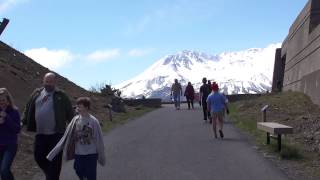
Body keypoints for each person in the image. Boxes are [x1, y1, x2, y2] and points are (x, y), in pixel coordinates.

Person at [22, 72, 74, 180]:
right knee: (38, 157)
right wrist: (23, 121)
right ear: (43, 81)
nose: (48, 84)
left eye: (51, 82)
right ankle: (50, 175)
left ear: (55, 82)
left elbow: (70, 113)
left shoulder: (61, 95)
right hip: (40, 134)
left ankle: (52, 176)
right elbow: (28, 108)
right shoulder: (37, 93)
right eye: (46, 81)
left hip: (57, 134)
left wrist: (75, 126)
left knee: (55, 161)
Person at [47, 97, 105, 180]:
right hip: (79, 153)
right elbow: (65, 137)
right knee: (78, 169)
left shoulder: (93, 121)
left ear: (87, 107)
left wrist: (101, 155)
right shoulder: (75, 120)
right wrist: (52, 154)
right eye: (77, 106)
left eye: (80, 107)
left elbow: (99, 139)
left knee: (91, 175)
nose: (78, 109)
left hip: (91, 154)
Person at [0, 88, 21, 180]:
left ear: (8, 99)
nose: (1, 102)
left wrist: (7, 118)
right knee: (2, 171)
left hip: (10, 145)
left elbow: (17, 129)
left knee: (4, 169)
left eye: (3, 100)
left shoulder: (14, 111)